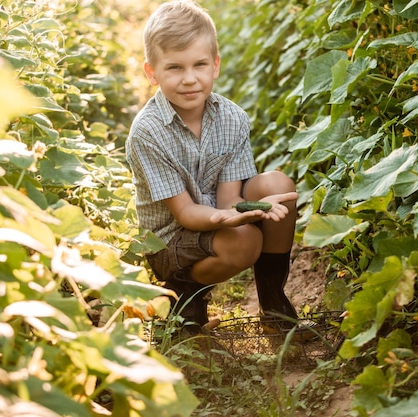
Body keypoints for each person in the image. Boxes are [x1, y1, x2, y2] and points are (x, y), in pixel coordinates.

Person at [125, 0, 300, 335]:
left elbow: (228, 199)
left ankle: (273, 301)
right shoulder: (147, 132)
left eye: (199, 65)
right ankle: (184, 290)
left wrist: (242, 210)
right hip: (171, 239)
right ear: (152, 72)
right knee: (245, 241)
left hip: (215, 216)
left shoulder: (231, 118)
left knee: (276, 185)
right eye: (175, 68)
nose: (190, 79)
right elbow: (187, 213)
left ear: (215, 65)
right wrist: (228, 219)